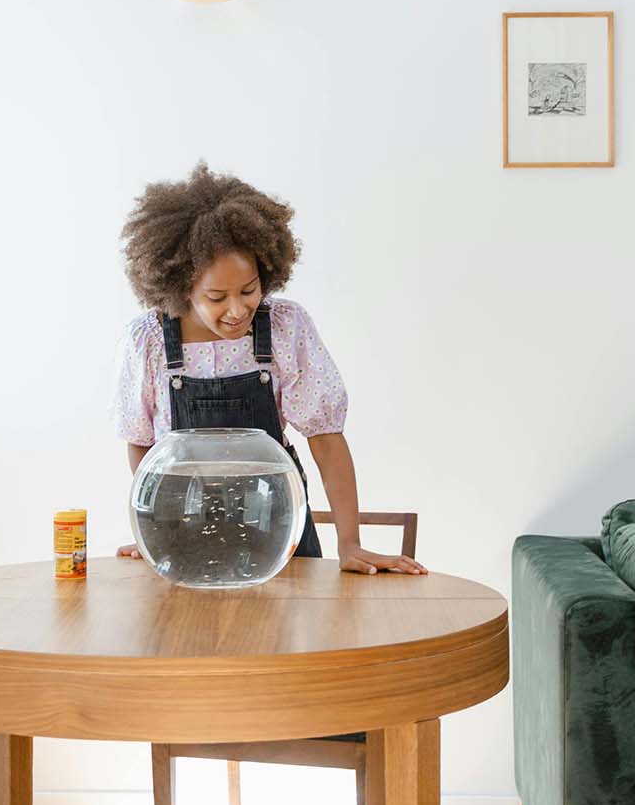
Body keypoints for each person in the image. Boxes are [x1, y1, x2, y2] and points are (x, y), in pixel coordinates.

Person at [111, 163, 426, 575]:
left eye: (249, 290)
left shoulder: (283, 327)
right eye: (217, 297)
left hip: (278, 529)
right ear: (182, 286)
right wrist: (154, 526)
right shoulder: (148, 341)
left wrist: (349, 543)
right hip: (181, 539)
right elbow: (141, 444)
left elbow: (327, 440)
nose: (238, 310)